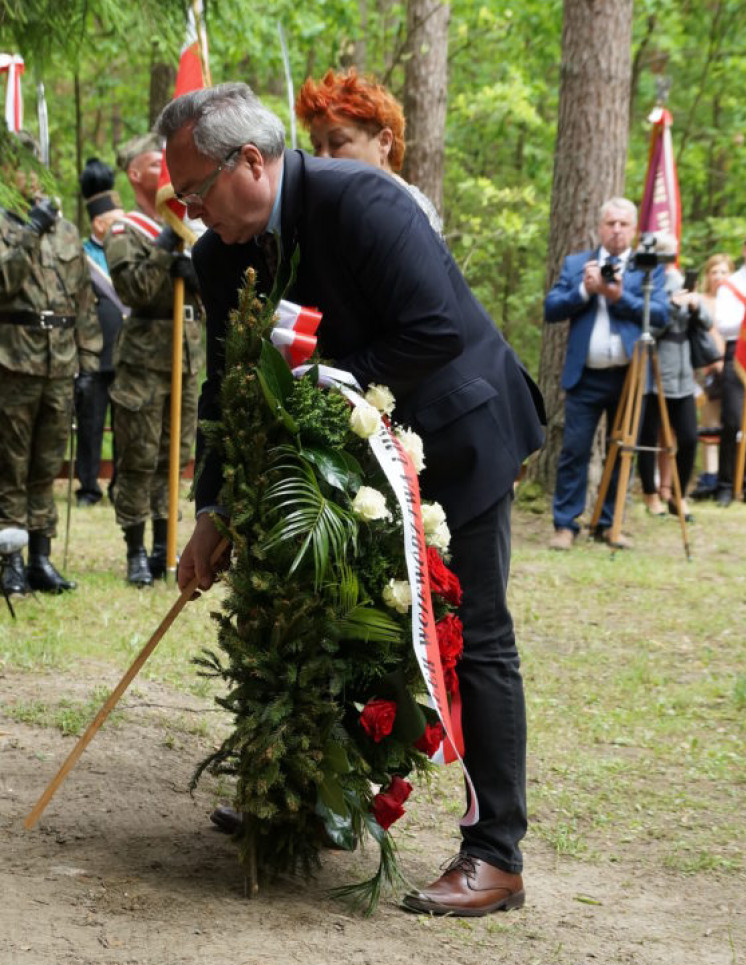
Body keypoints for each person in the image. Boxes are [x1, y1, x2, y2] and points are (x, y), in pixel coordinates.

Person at [157, 82, 545, 917]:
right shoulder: (222, 255)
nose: (193, 213)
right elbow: (229, 389)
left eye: (197, 193)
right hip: (346, 451)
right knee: (329, 616)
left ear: (250, 163)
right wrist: (213, 508)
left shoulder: (362, 199)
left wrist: (320, 403)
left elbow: (435, 328)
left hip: (456, 431)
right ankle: (314, 804)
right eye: (182, 199)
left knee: (472, 639)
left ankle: (495, 853)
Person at [0, 131, 100, 595]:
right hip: (12, 361)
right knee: (9, 467)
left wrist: (89, 361)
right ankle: (9, 561)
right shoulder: (7, 223)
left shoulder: (64, 229)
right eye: (20, 165)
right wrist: (28, 230)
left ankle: (40, 556)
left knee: (47, 466)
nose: (29, 176)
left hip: (60, 363)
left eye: (35, 166)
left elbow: (83, 299)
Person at [104, 133, 205, 585]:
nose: (165, 168)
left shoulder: (190, 228)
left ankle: (166, 545)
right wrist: (165, 247)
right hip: (144, 360)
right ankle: (135, 551)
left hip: (185, 355)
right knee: (139, 457)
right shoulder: (124, 229)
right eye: (154, 163)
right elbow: (135, 290)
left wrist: (196, 274)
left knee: (174, 456)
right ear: (135, 174)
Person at [544, 198, 669, 550]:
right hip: (585, 376)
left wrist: (616, 296)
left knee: (623, 450)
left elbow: (660, 314)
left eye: (623, 224)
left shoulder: (648, 269)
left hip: (629, 377)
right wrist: (585, 289)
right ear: (600, 227)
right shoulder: (577, 264)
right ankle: (565, 526)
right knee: (574, 451)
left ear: (634, 230)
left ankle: (608, 524)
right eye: (610, 223)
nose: (616, 230)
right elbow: (551, 309)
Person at [295, 68, 443, 234]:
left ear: (383, 142)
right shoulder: (332, 206)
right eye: (317, 146)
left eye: (337, 142)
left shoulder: (409, 213)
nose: (322, 157)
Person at [636, 235, 711, 520]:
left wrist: (694, 305)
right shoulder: (646, 285)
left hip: (683, 374)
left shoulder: (681, 281)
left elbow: (707, 322)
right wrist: (670, 307)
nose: (668, 261)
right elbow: (645, 330)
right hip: (654, 370)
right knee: (648, 436)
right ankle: (651, 493)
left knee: (690, 437)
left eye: (671, 254)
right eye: (663, 254)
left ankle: (677, 495)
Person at [76, 157, 128, 507]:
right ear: (98, 223)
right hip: (94, 353)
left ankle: (119, 486)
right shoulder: (80, 255)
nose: (118, 226)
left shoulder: (125, 249)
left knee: (125, 429)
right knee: (90, 425)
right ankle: (89, 488)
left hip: (126, 353)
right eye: (113, 221)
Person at [713, 228, 746, 506]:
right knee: (732, 420)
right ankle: (725, 485)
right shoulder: (730, 284)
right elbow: (723, 323)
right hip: (737, 351)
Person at [689, 253, 732, 501]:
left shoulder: (736, 302)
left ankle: (731, 475)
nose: (718, 277)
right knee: (709, 423)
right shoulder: (702, 301)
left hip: (735, 369)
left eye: (723, 272)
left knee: (734, 423)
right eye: (714, 272)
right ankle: (709, 476)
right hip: (708, 370)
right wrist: (711, 363)